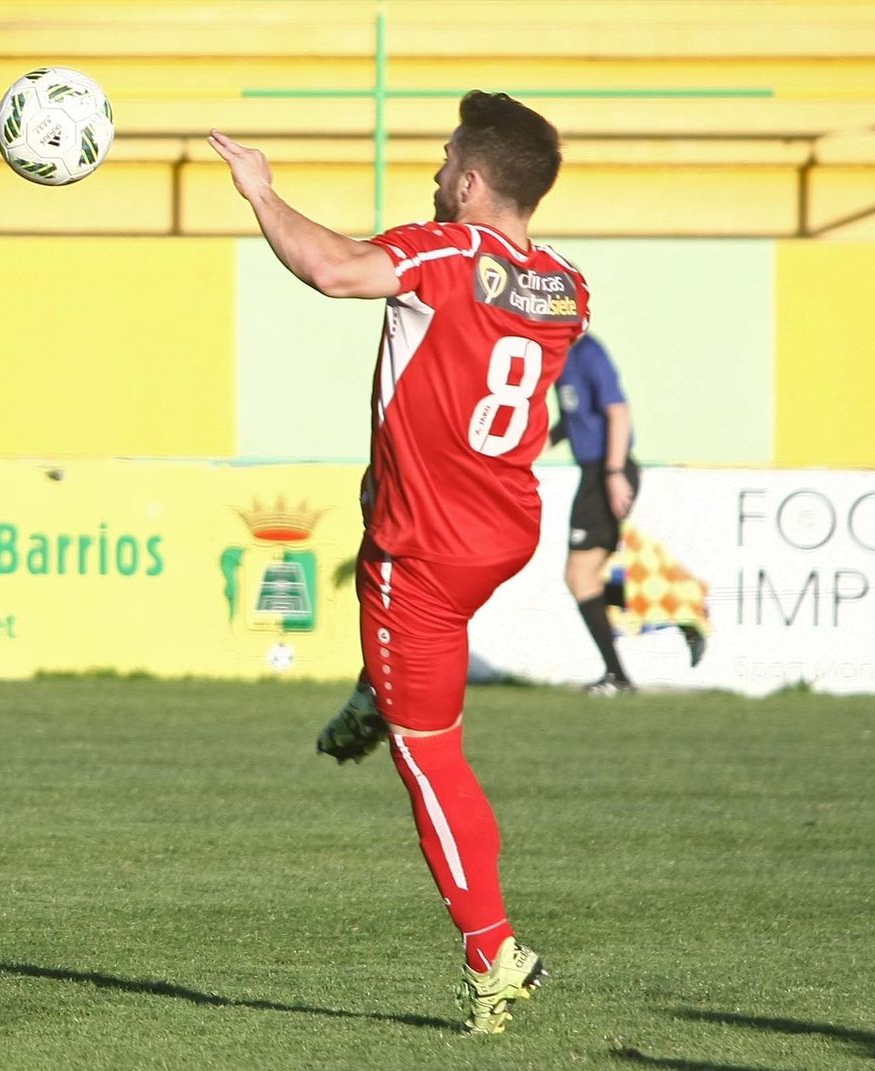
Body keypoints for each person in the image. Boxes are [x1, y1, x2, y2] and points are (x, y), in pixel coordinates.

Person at [211, 91, 587, 1034]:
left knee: (432, 757)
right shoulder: (567, 286)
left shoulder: (443, 249)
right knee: (390, 520)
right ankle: (385, 686)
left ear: (469, 178)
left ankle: (494, 951)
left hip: (422, 554)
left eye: (445, 155)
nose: (434, 170)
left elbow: (335, 271)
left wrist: (262, 192)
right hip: (504, 529)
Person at [551, 333, 639, 696]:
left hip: (604, 472)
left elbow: (617, 410)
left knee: (579, 574)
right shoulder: (557, 357)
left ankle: (617, 675)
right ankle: (617, 672)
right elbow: (571, 420)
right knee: (590, 574)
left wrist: (614, 474)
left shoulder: (588, 351)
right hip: (596, 473)